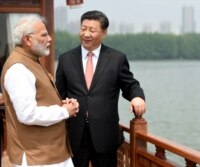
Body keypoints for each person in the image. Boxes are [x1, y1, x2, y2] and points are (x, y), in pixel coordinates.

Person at [55, 10, 146, 167]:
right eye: (83, 28)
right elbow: (58, 95)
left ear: (104, 33)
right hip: (74, 135)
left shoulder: (116, 59)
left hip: (105, 135)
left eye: (92, 30)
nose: (86, 34)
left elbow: (130, 84)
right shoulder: (65, 59)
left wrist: (137, 97)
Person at [0, 15, 79, 167]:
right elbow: (27, 114)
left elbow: (39, 99)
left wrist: (63, 104)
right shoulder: (18, 68)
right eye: (44, 35)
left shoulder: (31, 61)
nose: (50, 39)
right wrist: (64, 111)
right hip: (37, 158)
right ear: (27, 40)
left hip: (50, 154)